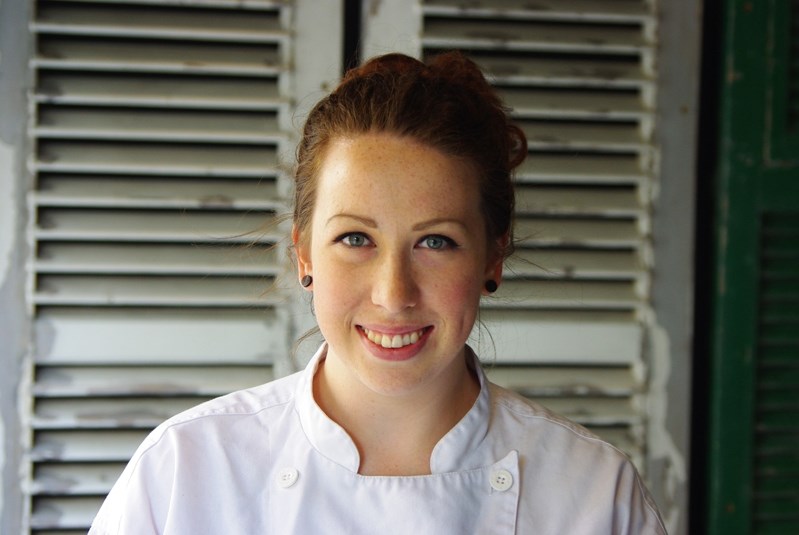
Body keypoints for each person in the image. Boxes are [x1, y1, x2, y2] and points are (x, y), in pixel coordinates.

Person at [90, 52, 667, 534]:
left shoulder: (594, 494)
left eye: (436, 241)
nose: (394, 294)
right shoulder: (185, 471)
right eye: (355, 237)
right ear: (304, 254)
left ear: (494, 254)